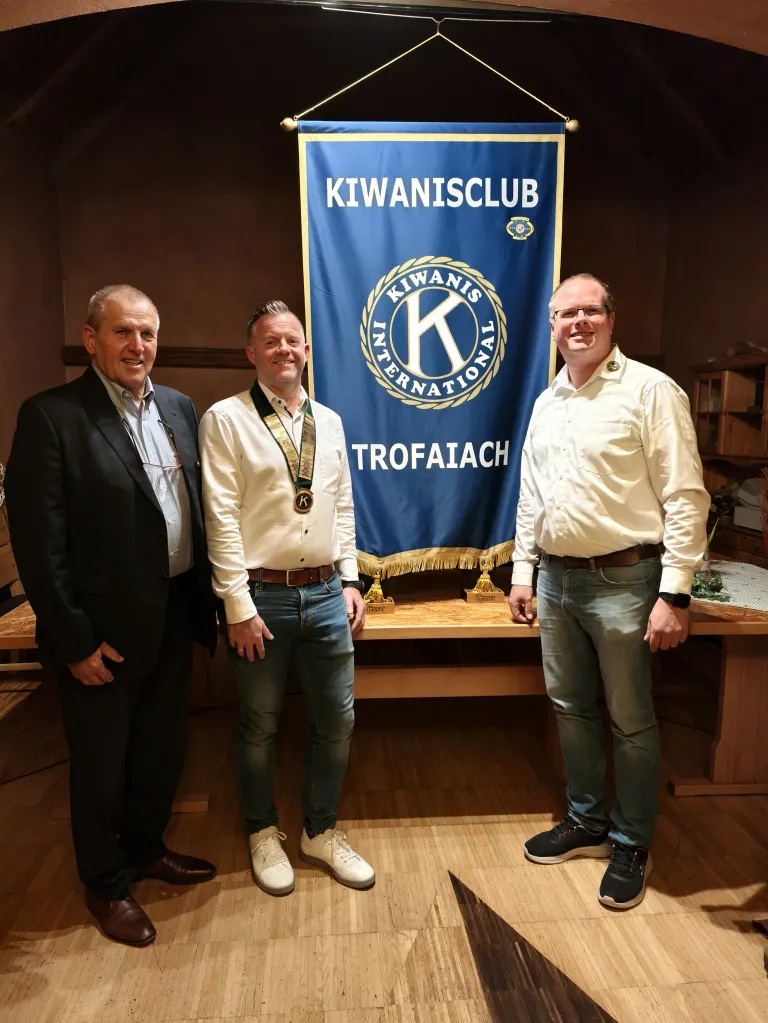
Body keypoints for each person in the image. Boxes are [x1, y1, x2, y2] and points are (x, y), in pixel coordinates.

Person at [5, 285, 218, 946]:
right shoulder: (51, 416)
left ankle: (148, 847)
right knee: (101, 766)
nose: (138, 346)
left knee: (160, 752)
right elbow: (40, 544)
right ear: (91, 337)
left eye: (149, 333)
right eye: (123, 332)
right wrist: (73, 639)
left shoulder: (180, 408)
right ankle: (105, 882)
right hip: (99, 636)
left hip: (173, 616)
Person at [509, 273, 709, 910]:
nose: (577, 323)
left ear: (610, 319)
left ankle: (631, 841)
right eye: (564, 314)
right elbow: (532, 497)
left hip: (626, 579)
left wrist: (674, 593)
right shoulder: (548, 402)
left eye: (588, 311)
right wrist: (523, 570)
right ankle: (588, 820)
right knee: (570, 707)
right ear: (552, 327)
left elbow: (685, 497)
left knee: (630, 720)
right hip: (558, 580)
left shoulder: (652, 391)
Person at [199, 300, 374, 895]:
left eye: (292, 340)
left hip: (326, 593)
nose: (283, 350)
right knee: (259, 725)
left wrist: (350, 579)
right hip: (261, 599)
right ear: (251, 353)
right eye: (269, 342)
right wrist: (236, 606)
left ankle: (320, 831)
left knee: (338, 720)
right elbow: (219, 518)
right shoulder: (226, 419)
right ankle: (261, 832)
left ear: (306, 351)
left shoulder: (330, 420)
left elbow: (342, 506)